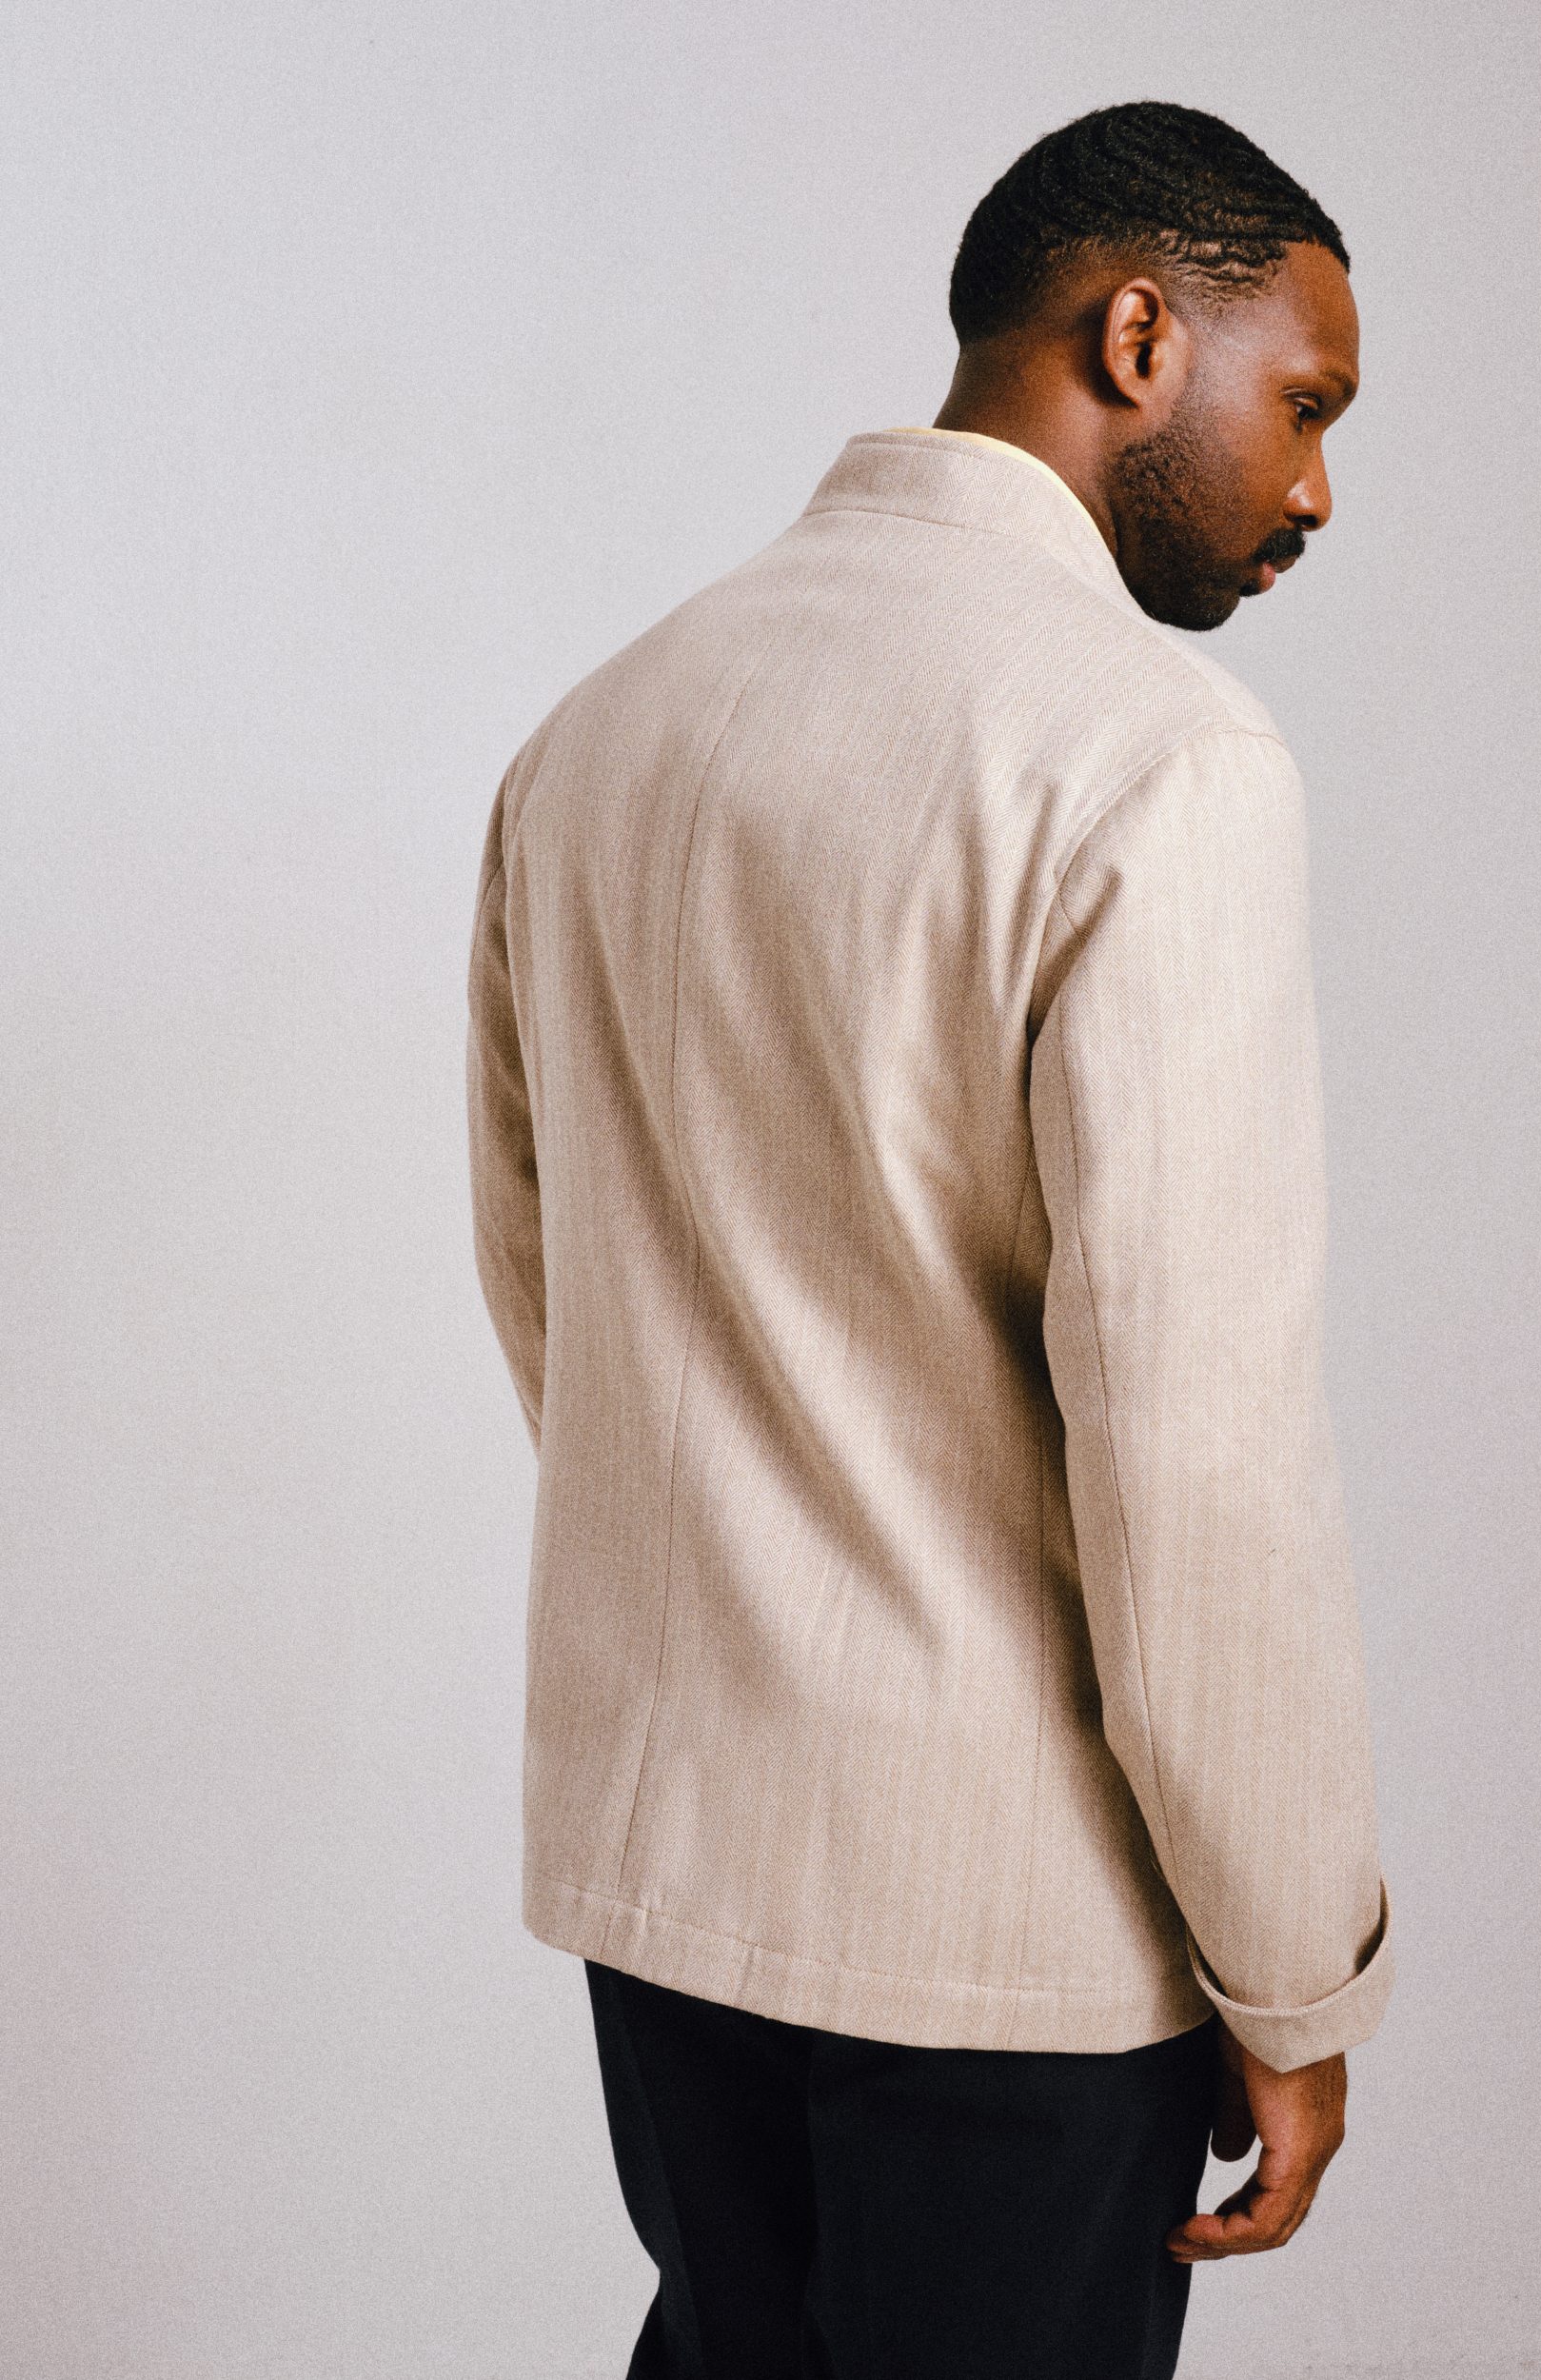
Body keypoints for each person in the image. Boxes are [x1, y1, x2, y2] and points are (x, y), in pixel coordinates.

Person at [465, 97, 1394, 2380]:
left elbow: (550, 1288)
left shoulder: (605, 730)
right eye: (1304, 403)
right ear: (1140, 334)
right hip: (1004, 1936)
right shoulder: (1155, 760)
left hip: (672, 1886)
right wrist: (1291, 1975)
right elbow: (1195, 1457)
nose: (1314, 492)